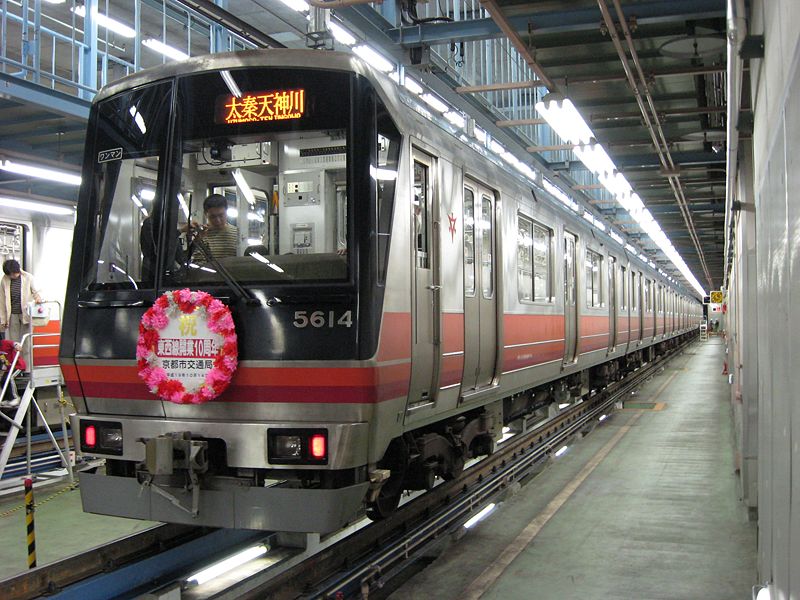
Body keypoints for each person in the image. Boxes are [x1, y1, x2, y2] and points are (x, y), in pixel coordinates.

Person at [0, 259, 42, 369]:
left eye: (14, 273)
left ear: (17, 270)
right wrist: (3, 320)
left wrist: (38, 298)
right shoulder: (4, 280)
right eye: (10, 274)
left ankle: (27, 369)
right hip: (12, 314)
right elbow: (2, 301)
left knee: (26, 342)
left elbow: (36, 292)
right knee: (13, 343)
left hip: (26, 314)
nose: (12, 276)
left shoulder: (28, 277)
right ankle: (16, 367)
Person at [191, 194, 239, 263]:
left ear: (226, 211)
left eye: (221, 215)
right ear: (205, 214)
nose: (218, 220)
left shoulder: (238, 234)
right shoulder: (201, 235)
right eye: (213, 217)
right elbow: (198, 264)